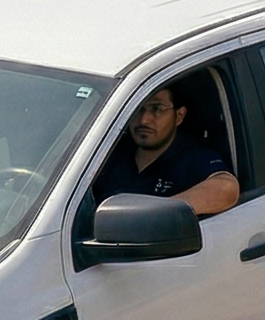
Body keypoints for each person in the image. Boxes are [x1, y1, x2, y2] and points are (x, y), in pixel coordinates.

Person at [94, 78, 241, 216]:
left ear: (179, 116)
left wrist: (161, 213)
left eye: (157, 109)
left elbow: (226, 187)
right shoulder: (108, 149)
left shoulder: (192, 157)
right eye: (138, 109)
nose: (144, 119)